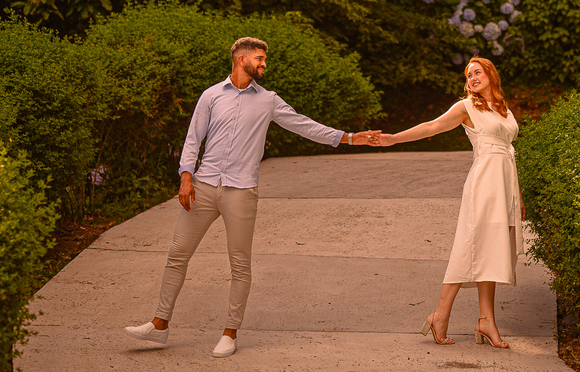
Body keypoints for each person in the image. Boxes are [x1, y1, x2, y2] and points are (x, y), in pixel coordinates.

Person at [123, 37, 379, 358]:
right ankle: (159, 325)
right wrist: (186, 175)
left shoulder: (269, 100)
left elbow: (305, 126)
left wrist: (351, 138)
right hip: (202, 187)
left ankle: (230, 332)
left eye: (264, 60)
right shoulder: (211, 96)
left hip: (241, 191)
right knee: (177, 255)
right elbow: (193, 138)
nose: (263, 64)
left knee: (240, 265)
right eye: (259, 58)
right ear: (240, 58)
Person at [371, 56, 524, 348]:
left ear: (491, 74)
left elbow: (508, 152)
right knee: (470, 246)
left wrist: (517, 196)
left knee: (490, 251)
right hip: (483, 184)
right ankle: (440, 314)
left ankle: (486, 320)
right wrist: (394, 139)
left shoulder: (504, 109)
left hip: (505, 187)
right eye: (469, 75)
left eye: (477, 72)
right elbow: (432, 127)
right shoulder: (466, 107)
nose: (473, 78)